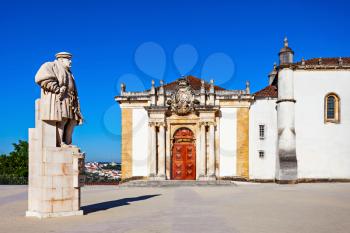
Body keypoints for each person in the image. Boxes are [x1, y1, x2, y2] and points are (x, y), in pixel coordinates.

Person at [35, 52, 83, 146]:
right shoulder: (50, 65)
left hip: (71, 98)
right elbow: (41, 78)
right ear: (61, 59)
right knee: (63, 119)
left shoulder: (69, 72)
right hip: (61, 97)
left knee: (73, 121)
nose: (70, 62)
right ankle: (61, 142)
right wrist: (57, 89)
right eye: (68, 59)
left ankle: (68, 142)